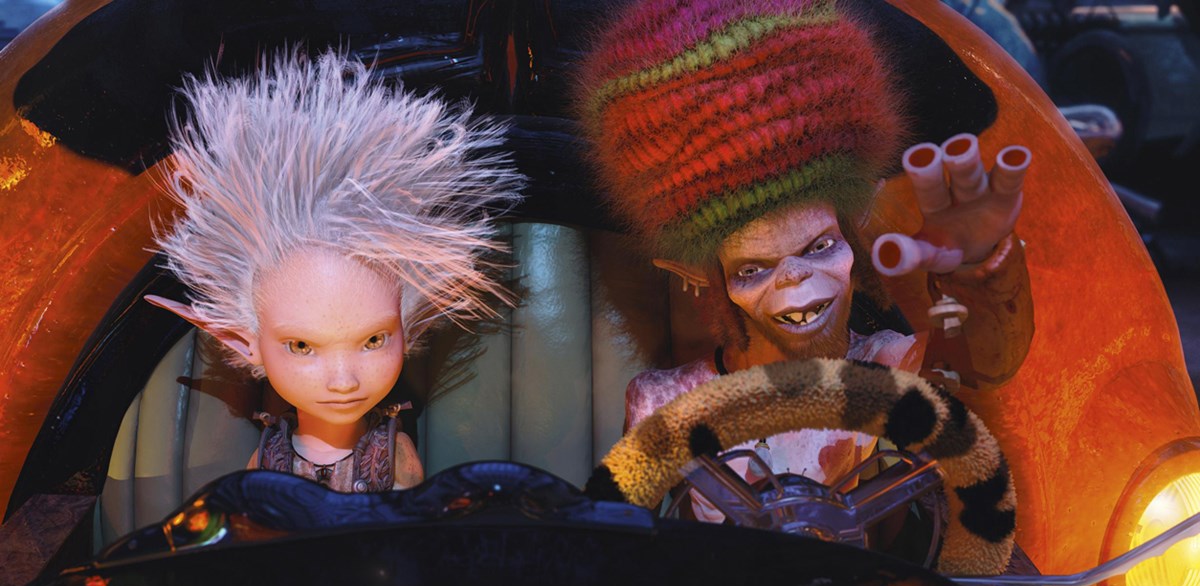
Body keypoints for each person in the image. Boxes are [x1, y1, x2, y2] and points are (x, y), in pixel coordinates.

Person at [577, 0, 1033, 521]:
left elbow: (977, 362)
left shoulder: (885, 367)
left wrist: (978, 270)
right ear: (701, 276)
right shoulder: (665, 402)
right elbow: (618, 536)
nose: (796, 281)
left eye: (819, 247)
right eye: (753, 269)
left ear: (853, 232)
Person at [146, 50, 524, 493]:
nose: (343, 381)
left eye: (374, 341)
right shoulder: (268, 458)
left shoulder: (393, 455)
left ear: (408, 330)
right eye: (301, 346)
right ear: (244, 343)